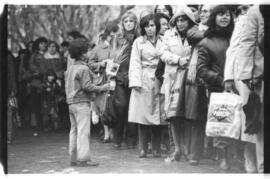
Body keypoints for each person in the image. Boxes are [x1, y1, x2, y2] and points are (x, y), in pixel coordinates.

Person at [197, 5, 234, 170]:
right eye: (220, 14)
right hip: (219, 88)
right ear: (214, 18)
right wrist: (221, 81)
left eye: (227, 14)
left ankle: (238, 155)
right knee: (222, 121)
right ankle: (223, 156)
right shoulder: (206, 42)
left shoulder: (237, 37)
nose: (225, 17)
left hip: (240, 85)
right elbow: (201, 69)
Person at [228, 5, 264, 173]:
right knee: (253, 121)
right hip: (251, 75)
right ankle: (253, 164)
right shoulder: (250, 15)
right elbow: (236, 48)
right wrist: (231, 76)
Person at [65, 38, 111, 167]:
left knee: (73, 131)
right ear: (83, 53)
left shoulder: (71, 68)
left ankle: (73, 158)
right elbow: (87, 86)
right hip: (82, 103)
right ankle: (84, 159)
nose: (90, 53)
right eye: (88, 51)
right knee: (83, 132)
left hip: (71, 103)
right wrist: (102, 87)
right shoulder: (83, 69)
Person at [159, 7, 196, 162]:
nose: (181, 23)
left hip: (189, 78)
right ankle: (177, 149)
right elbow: (162, 53)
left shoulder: (194, 35)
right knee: (173, 115)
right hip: (172, 77)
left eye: (184, 20)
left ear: (189, 20)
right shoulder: (168, 35)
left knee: (187, 113)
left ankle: (187, 148)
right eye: (178, 20)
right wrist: (177, 60)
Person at [102, 11, 139, 149]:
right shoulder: (118, 38)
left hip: (134, 78)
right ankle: (117, 137)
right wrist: (112, 76)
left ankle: (131, 140)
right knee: (121, 107)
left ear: (136, 23)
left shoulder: (139, 38)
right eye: (126, 21)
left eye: (131, 21)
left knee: (132, 109)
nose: (128, 23)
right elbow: (112, 58)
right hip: (119, 78)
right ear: (122, 23)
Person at [128, 13, 163, 158]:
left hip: (160, 78)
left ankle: (155, 148)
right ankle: (142, 148)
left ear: (157, 26)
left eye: (152, 25)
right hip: (144, 79)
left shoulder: (163, 40)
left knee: (159, 116)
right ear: (143, 28)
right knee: (143, 115)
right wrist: (135, 82)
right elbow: (135, 63)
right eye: (147, 26)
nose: (150, 29)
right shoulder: (138, 42)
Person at [88, 21, 119, 143]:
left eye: (116, 34)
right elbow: (90, 64)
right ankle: (106, 133)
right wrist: (102, 63)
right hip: (103, 80)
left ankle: (114, 132)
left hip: (118, 79)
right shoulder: (98, 48)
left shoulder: (120, 47)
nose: (114, 37)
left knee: (116, 106)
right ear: (107, 34)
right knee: (104, 107)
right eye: (112, 34)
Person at [28, 37, 48, 132]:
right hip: (37, 81)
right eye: (41, 43)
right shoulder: (34, 55)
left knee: (47, 103)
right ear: (38, 45)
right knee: (37, 103)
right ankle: (38, 124)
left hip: (48, 79)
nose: (43, 45)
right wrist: (39, 71)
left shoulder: (48, 54)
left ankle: (47, 124)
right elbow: (31, 65)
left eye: (44, 43)